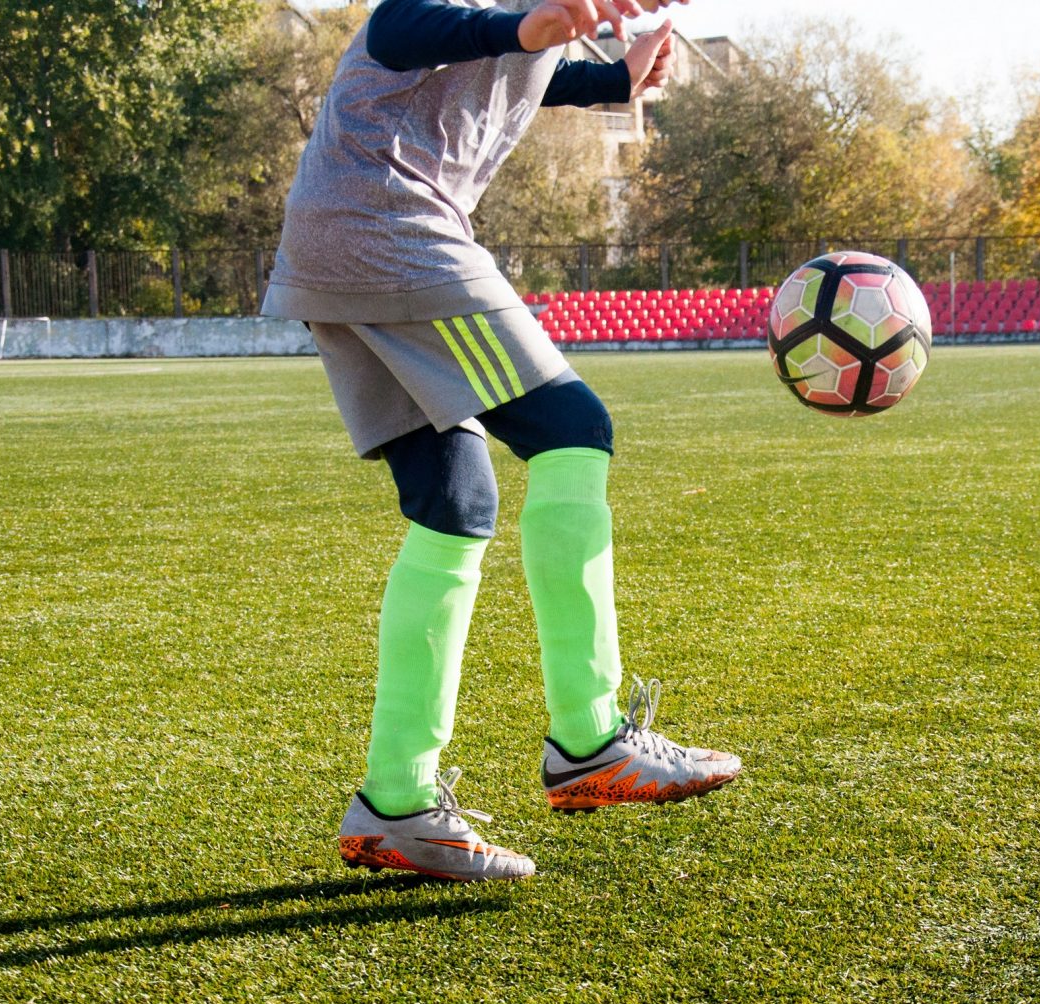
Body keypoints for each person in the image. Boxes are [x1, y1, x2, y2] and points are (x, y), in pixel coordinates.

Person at [261, 0, 739, 884]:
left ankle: (395, 803)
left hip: (331, 254)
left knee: (455, 502)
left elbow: (523, 73)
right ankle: (591, 738)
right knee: (571, 426)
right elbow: (416, 27)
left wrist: (620, 74)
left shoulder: (525, 30)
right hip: (392, 237)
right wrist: (536, 24)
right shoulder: (449, 11)